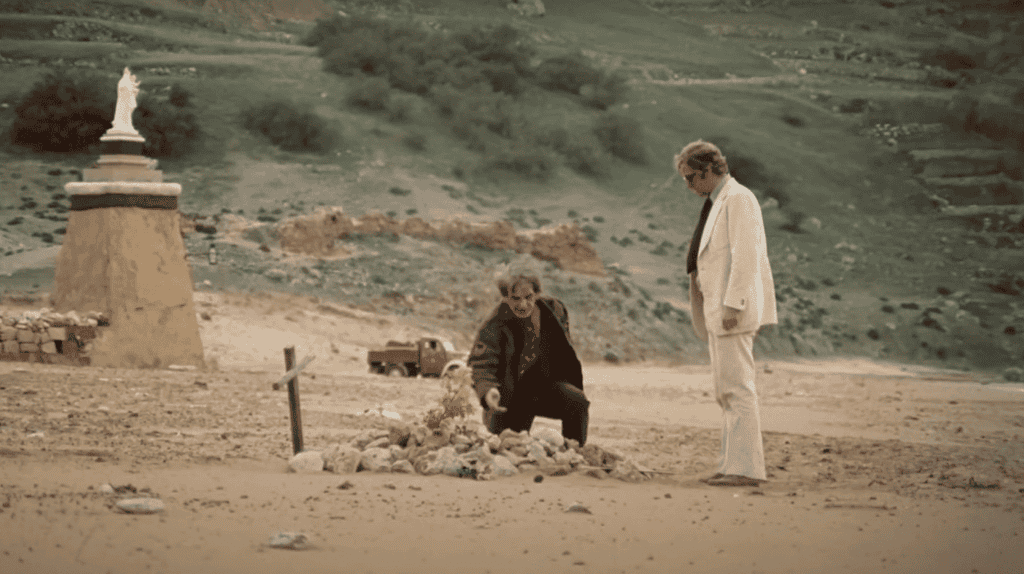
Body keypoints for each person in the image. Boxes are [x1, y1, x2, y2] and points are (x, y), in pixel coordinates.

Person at [678, 140, 778, 487]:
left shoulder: (738, 199)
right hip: (718, 310)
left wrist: (733, 305)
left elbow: (746, 254)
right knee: (726, 391)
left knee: (737, 389)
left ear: (708, 170)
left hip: (730, 310)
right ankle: (732, 463)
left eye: (691, 177)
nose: (688, 186)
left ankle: (746, 469)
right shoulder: (719, 200)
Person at [468, 273, 589, 445]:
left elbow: (564, 346)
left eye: (528, 297)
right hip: (510, 395)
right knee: (508, 446)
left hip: (543, 388)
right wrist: (488, 390)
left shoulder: (553, 310)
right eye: (515, 299)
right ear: (505, 298)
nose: (523, 305)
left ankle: (574, 452)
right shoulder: (495, 322)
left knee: (577, 401)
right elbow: (481, 362)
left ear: (537, 294)